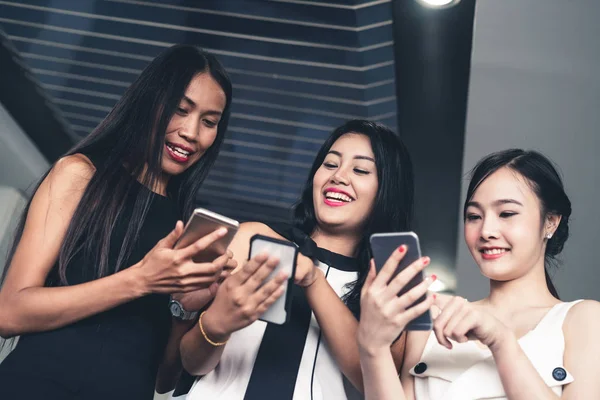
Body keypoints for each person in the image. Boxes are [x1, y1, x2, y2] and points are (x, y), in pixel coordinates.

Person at [0, 44, 241, 400]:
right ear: (150, 102)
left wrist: (185, 309)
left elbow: (164, 380)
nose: (192, 132)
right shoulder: (81, 175)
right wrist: (141, 279)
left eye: (209, 122)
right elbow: (10, 313)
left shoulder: (184, 226)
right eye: (179, 110)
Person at [175, 120, 415, 400]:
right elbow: (191, 363)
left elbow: (376, 384)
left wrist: (312, 279)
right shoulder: (254, 239)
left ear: (387, 192)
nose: (338, 176)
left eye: (360, 169)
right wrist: (218, 323)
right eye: (329, 164)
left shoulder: (389, 289)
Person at [357, 149, 600, 399]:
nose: (486, 230)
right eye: (474, 216)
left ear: (550, 222)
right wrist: (372, 348)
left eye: (506, 213)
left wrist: (501, 341)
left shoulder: (583, 320)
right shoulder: (432, 322)